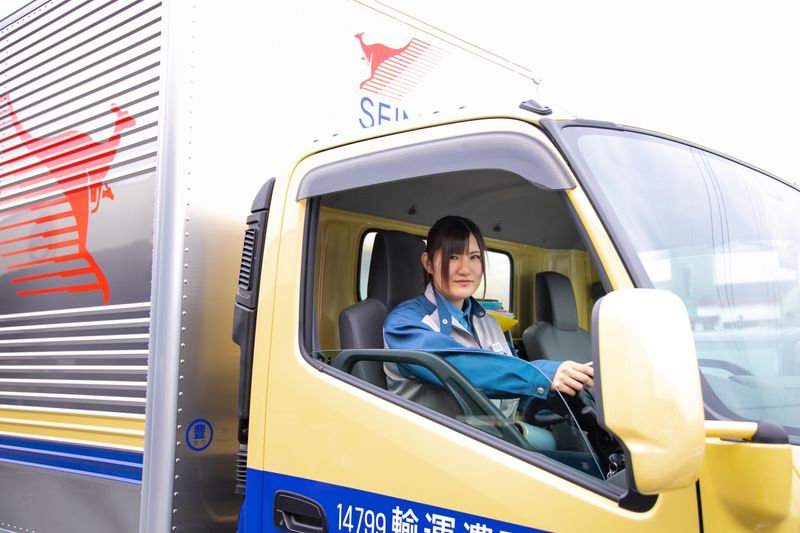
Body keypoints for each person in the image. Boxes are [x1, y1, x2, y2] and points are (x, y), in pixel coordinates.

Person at [383, 215, 594, 419]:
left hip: (498, 437)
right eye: (452, 257)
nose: (465, 270)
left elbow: (515, 389)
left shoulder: (490, 323)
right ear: (428, 263)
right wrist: (544, 374)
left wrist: (570, 394)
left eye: (474, 257)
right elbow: (458, 366)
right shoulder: (404, 323)